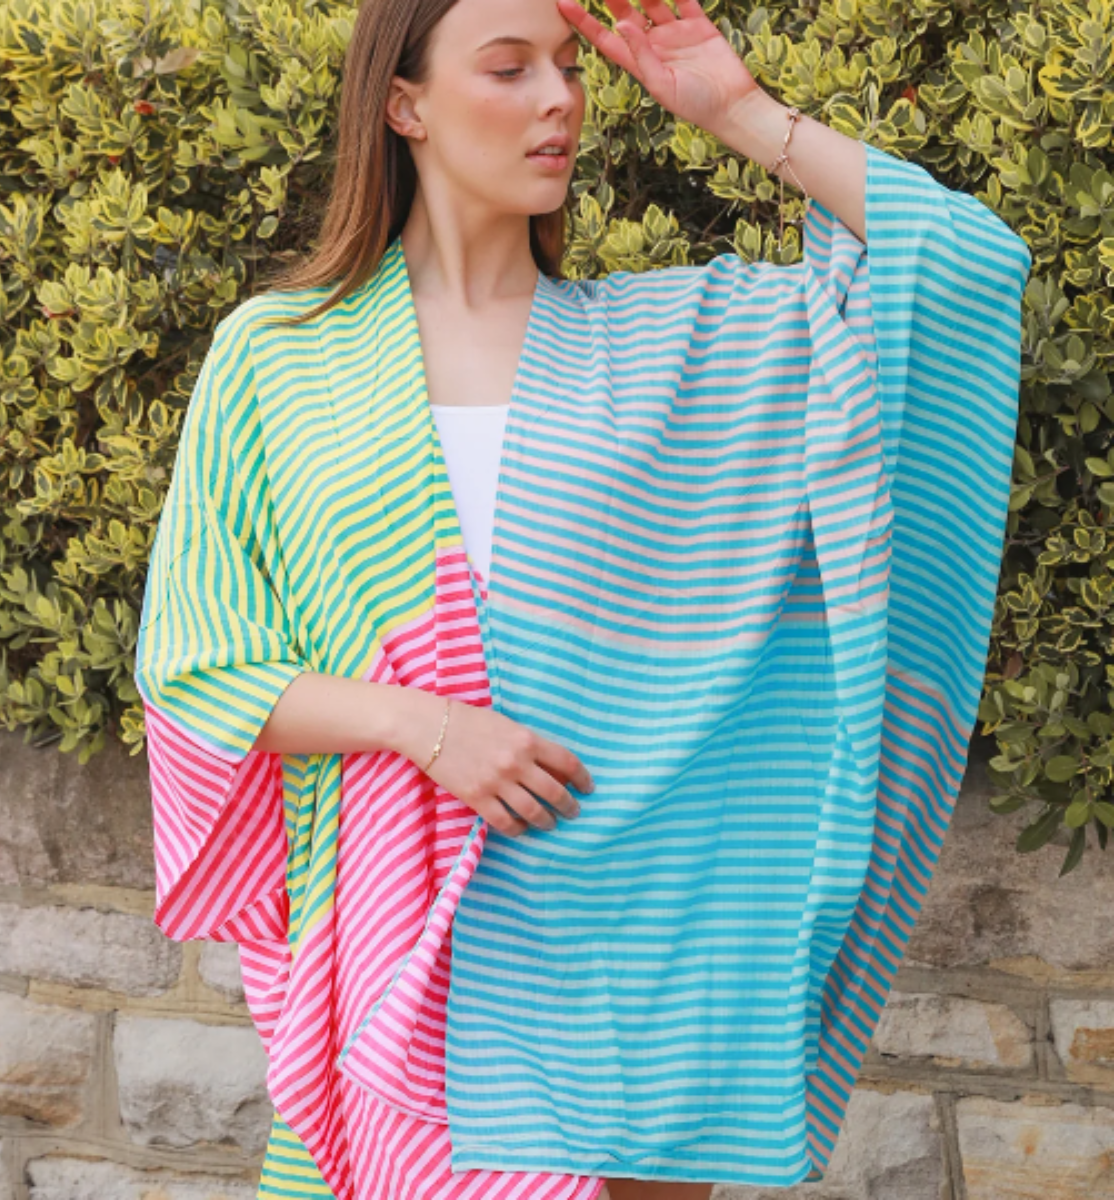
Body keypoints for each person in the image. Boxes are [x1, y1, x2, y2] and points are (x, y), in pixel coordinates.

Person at [133, 2, 1032, 1199]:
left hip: (642, 954)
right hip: (414, 938)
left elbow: (962, 265)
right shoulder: (278, 355)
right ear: (403, 105)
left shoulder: (673, 342)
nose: (559, 97)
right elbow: (198, 662)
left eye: (566, 69)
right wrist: (429, 726)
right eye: (509, 69)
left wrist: (739, 112)